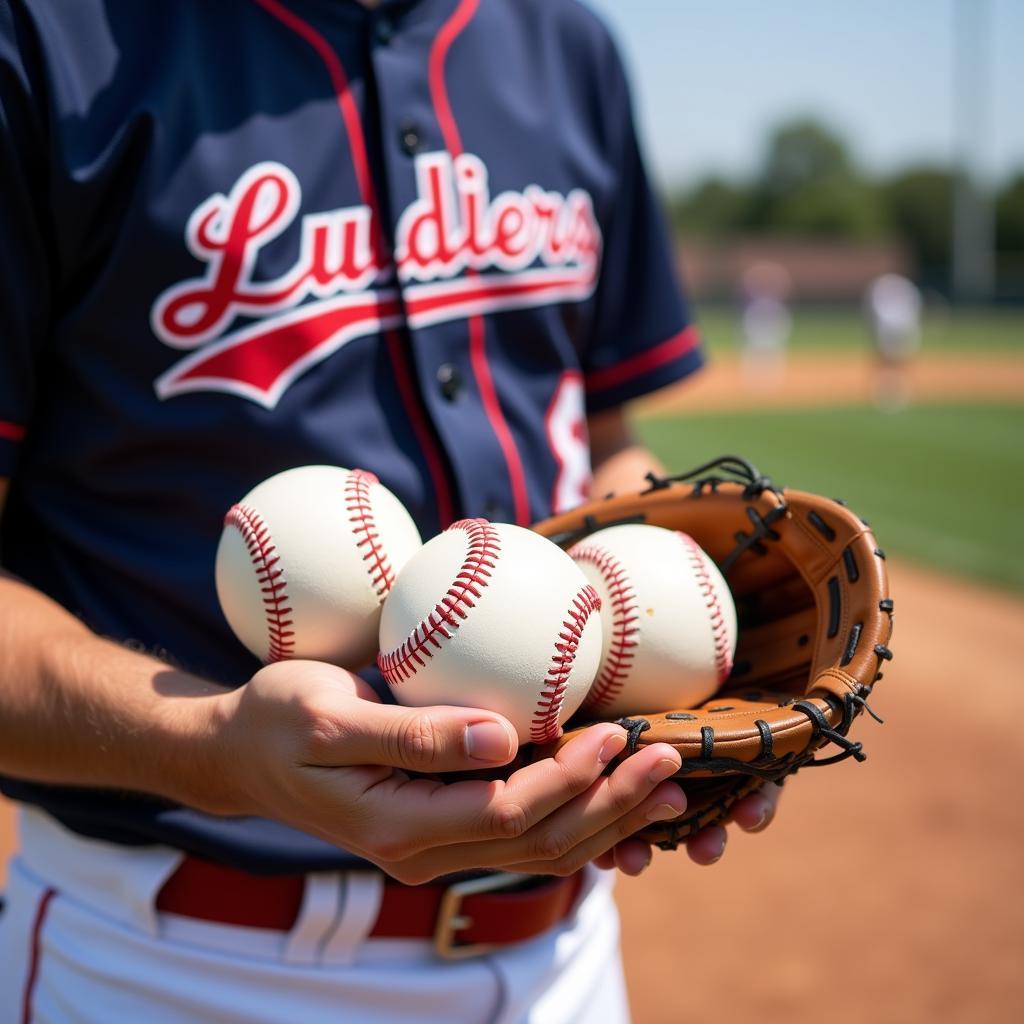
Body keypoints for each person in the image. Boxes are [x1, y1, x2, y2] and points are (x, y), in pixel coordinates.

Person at [0, 1, 781, 1020]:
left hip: (567, 961)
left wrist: (691, 627)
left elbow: (599, 439)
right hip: (172, 973)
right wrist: (210, 742)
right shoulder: (47, 37)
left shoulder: (566, 43)